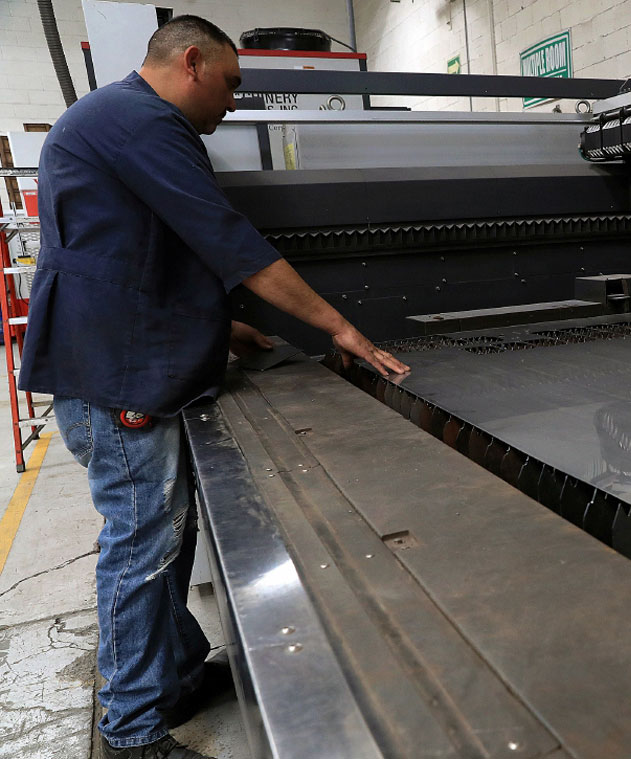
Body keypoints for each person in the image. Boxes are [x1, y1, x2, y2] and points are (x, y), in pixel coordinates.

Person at [18, 15, 409, 759]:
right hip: (117, 375)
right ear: (191, 62)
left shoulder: (121, 119)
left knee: (165, 535)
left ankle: (176, 675)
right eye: (229, 84)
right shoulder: (141, 122)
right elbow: (228, 242)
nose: (233, 102)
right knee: (142, 543)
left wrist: (221, 328)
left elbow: (132, 250)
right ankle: (132, 728)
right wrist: (340, 328)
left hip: (117, 357)